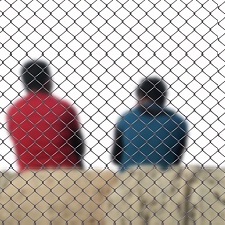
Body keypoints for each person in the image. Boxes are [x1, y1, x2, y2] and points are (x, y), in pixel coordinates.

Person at [7, 60, 84, 172]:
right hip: (66, 171)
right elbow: (78, 144)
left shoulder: (14, 111)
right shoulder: (63, 107)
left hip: (28, 173)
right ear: (47, 81)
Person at [112, 76, 188, 171]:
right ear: (163, 97)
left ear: (141, 96)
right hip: (164, 180)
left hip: (128, 178)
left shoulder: (125, 119)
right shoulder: (179, 122)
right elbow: (176, 160)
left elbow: (115, 158)